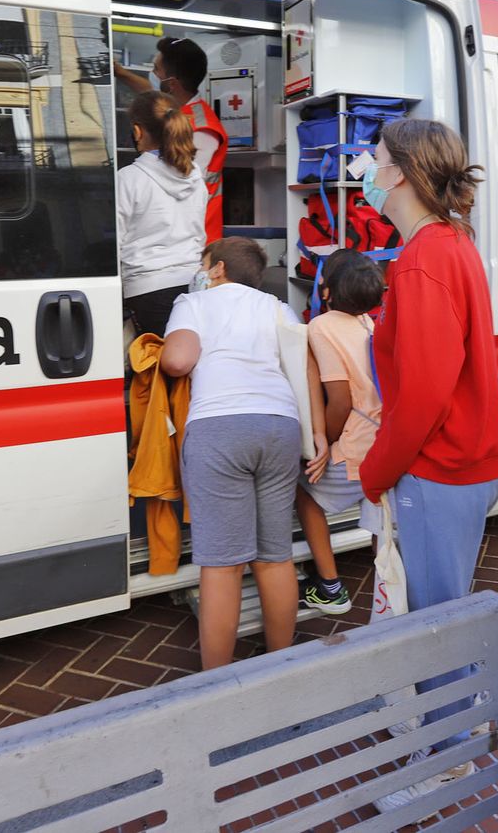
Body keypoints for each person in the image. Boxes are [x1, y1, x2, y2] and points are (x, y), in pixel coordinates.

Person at [355, 119, 498, 810]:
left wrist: (373, 471)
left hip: (439, 467)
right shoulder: (448, 244)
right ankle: (460, 726)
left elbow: (419, 395)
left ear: (399, 174)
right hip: (464, 460)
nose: (367, 163)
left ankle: (449, 756)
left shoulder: (419, 260)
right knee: (444, 610)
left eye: (377, 155)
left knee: (436, 621)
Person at [160, 237, 301, 670]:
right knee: (275, 554)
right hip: (280, 425)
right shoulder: (276, 305)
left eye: (204, 264)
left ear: (217, 269)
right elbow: (300, 363)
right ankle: (280, 664)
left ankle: (216, 682)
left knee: (222, 565)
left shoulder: (193, 303)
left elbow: (179, 361)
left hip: (220, 428)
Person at [295, 250, 387, 614]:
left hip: (353, 440)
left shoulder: (322, 326)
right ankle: (386, 583)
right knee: (379, 507)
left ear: (327, 289)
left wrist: (326, 444)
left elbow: (339, 399)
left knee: (306, 495)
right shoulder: (368, 321)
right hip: (380, 437)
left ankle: (330, 587)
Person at [114, 36, 227, 242]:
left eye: (156, 70)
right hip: (173, 236)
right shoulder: (174, 109)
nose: (153, 75)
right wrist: (120, 72)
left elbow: (181, 183)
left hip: (197, 240)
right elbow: (150, 92)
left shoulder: (203, 129)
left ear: (172, 84)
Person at [116, 91, 207, 338]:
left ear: (137, 131)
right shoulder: (196, 178)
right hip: (194, 285)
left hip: (147, 289)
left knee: (157, 367)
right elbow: (199, 236)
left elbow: (116, 242)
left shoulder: (128, 179)